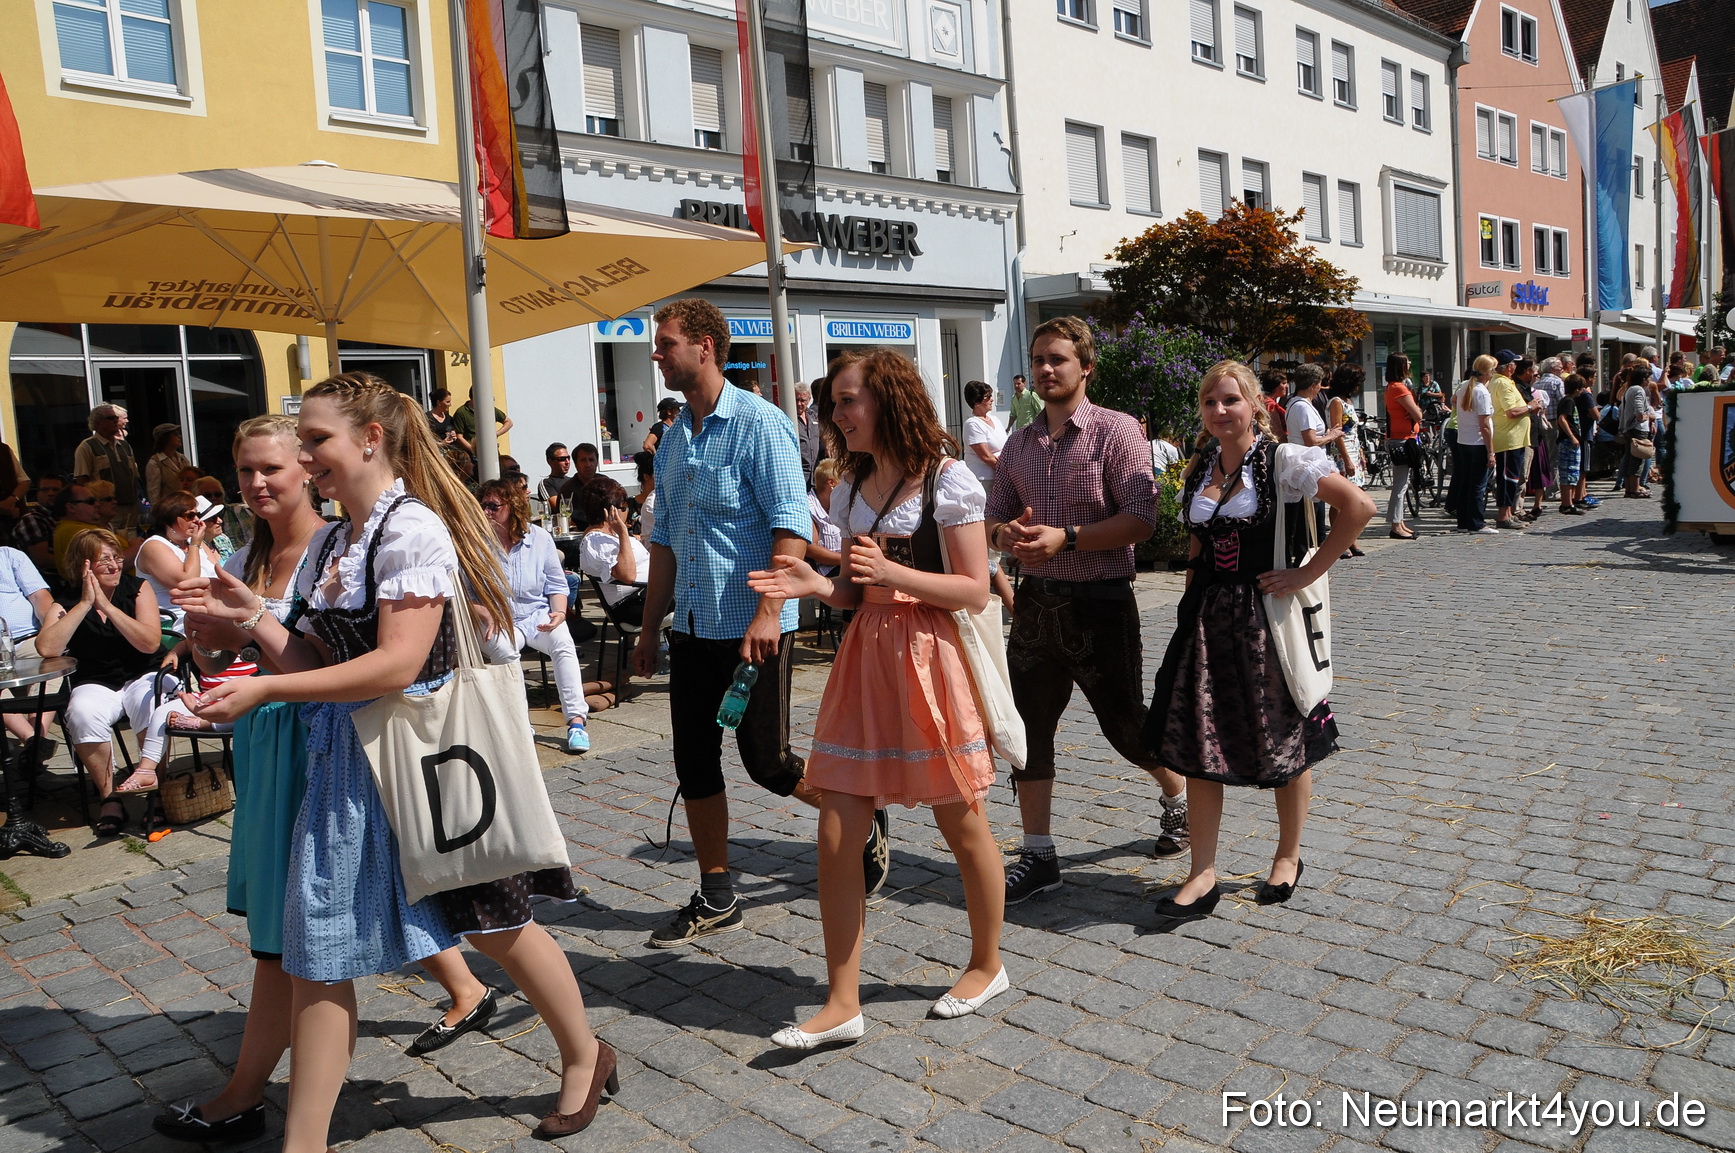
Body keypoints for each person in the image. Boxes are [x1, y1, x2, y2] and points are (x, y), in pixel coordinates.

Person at [182, 373, 612, 1149]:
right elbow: (312, 655)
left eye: (316, 440)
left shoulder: (410, 529)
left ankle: (584, 1053)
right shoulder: (334, 542)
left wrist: (267, 688)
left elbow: (397, 664)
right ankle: (304, 1143)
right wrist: (252, 621)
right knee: (317, 952)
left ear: (370, 439)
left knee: (495, 924)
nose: (306, 456)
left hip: (429, 763)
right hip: (347, 768)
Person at [155, 415, 508, 1146]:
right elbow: (230, 655)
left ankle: (254, 1099)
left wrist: (254, 640)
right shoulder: (246, 552)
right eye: (245, 470)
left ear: (308, 469)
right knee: (281, 933)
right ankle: (256, 1096)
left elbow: (352, 657)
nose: (257, 483)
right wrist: (208, 638)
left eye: (274, 467)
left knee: (308, 935)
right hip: (266, 738)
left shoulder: (333, 547)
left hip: (321, 738)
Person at [749, 348, 1007, 1048]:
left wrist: (893, 571)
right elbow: (854, 591)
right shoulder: (851, 484)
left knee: (962, 823)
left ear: (887, 400)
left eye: (847, 401)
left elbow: (974, 590)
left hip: (929, 658)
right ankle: (842, 1001)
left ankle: (987, 964)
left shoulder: (948, 479)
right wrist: (816, 584)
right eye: (833, 402)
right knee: (836, 830)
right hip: (865, 659)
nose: (835, 414)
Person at [628, 298, 843, 948]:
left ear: (705, 347)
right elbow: (664, 541)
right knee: (694, 763)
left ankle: (856, 813)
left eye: (666, 343)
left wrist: (769, 612)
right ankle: (716, 892)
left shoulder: (760, 423)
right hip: (693, 627)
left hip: (752, 625)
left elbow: (790, 525)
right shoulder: (675, 438)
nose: (657, 354)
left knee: (768, 762)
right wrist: (649, 629)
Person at [1143, 361, 1374, 920]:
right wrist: (1189, 607)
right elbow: (1198, 546)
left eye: (1230, 400)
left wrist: (1305, 573)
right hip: (1207, 620)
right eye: (1210, 402)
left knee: (1285, 737)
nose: (1219, 411)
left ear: (1255, 406)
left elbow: (1358, 508)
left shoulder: (1284, 461)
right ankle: (1202, 872)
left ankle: (1288, 856)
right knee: (1200, 742)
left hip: (1267, 619)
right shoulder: (1201, 465)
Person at [983, 316, 1189, 905]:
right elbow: (993, 518)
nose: (1046, 369)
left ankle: (1177, 795)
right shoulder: (1020, 442)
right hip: (1036, 604)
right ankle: (1039, 853)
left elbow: (1141, 520)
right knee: (1027, 731)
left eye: (1059, 360)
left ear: (1086, 367)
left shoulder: (1115, 431)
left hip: (1101, 603)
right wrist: (1004, 534)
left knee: (1126, 727)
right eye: (1039, 359)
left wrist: (1066, 538)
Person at [35, 529, 173, 837]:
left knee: (149, 702)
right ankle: (109, 797)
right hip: (96, 679)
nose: (114, 565)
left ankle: (157, 791)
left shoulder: (137, 589)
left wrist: (108, 607)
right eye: (104, 559)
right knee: (81, 712)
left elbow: (150, 643)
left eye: (117, 557)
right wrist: (86, 604)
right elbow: (47, 648)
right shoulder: (68, 599)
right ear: (83, 565)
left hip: (142, 672)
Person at [477, 478, 591, 754]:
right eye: (482, 506)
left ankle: (576, 722)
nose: (486, 512)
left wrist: (559, 612)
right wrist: (481, 611)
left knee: (563, 643)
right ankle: (520, 724)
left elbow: (557, 584)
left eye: (493, 506)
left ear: (512, 507)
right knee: (504, 651)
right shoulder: (474, 542)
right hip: (497, 617)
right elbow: (462, 592)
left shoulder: (538, 538)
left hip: (536, 614)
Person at [0, 544, 61, 766]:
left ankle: (35, 742)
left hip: (28, 640)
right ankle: (34, 741)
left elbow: (39, 596)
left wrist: (50, 631)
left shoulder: (9, 555)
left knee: (54, 663)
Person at [961, 381, 1016, 608]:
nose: (991, 400)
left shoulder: (995, 420)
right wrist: (1007, 469)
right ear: (977, 401)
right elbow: (985, 456)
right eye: (987, 397)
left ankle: (997, 567)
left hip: (999, 477)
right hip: (983, 480)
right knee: (985, 522)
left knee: (999, 520)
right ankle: (986, 570)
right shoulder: (972, 424)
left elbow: (1005, 447)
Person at [136, 492, 220, 637]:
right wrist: (195, 545)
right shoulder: (154, 546)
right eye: (190, 516)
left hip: (210, 613)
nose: (197, 520)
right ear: (170, 519)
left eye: (197, 514)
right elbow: (188, 582)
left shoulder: (194, 543)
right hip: (176, 622)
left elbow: (220, 572)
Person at [577, 476, 650, 629]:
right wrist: (623, 532)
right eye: (623, 508)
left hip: (644, 597)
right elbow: (627, 576)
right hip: (633, 605)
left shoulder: (606, 536)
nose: (626, 512)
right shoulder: (596, 541)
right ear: (611, 511)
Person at [1447, 355, 1498, 533]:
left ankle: (1463, 522)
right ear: (1487, 372)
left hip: (1464, 440)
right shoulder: (1481, 392)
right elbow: (1484, 425)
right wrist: (1491, 451)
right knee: (1478, 485)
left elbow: (1453, 400)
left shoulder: (1465, 387)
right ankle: (1477, 522)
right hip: (1478, 442)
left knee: (1465, 482)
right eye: (1493, 370)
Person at [72, 404, 141, 533]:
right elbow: (82, 481)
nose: (115, 421)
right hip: (105, 511)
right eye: (110, 418)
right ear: (98, 423)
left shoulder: (125, 446)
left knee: (130, 539)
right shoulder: (87, 446)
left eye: (116, 418)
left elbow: (134, 477)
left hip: (130, 508)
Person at [1382, 354, 1422, 540]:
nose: (1410, 365)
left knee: (1402, 484)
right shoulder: (1398, 388)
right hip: (1402, 440)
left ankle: (1399, 521)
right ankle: (1395, 525)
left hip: (1400, 437)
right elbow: (1418, 414)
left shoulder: (1391, 387)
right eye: (1407, 363)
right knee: (1400, 485)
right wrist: (1413, 411)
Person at [52, 484, 109, 581]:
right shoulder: (73, 531)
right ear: (71, 507)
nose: (97, 504)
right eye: (90, 501)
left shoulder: (84, 526)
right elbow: (107, 566)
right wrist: (136, 548)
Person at [1554, 374, 1592, 516]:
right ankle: (1566, 504)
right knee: (1568, 472)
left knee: (1572, 473)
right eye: (1582, 388)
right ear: (1577, 389)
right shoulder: (1568, 401)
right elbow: (1562, 419)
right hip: (1568, 442)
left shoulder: (1569, 401)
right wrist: (1571, 436)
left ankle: (1568, 502)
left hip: (1571, 441)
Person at [1617, 362, 1654, 498]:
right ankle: (1635, 489)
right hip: (1637, 428)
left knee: (1629, 458)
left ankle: (1629, 489)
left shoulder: (1629, 389)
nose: (1650, 381)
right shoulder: (1638, 390)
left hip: (1628, 428)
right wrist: (1646, 416)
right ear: (1643, 379)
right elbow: (1639, 411)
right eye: (1648, 378)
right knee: (1638, 459)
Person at [145, 424, 192, 508]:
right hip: (169, 509)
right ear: (165, 438)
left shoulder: (182, 459)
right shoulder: (155, 463)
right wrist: (157, 511)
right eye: (175, 434)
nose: (179, 436)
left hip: (186, 506)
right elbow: (154, 494)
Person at [795, 381, 823, 485]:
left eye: (802, 400)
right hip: (799, 474)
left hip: (815, 474)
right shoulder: (789, 417)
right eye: (796, 400)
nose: (799, 404)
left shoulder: (814, 416)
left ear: (809, 399)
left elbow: (824, 434)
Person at [537, 442, 571, 522]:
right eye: (562, 459)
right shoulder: (546, 483)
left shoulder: (573, 481)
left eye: (568, 458)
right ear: (550, 462)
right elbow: (559, 508)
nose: (567, 462)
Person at [1258, 368, 1289, 442]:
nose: (1287, 386)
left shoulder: (1265, 400)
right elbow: (1276, 430)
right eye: (1284, 383)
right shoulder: (1270, 405)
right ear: (1275, 385)